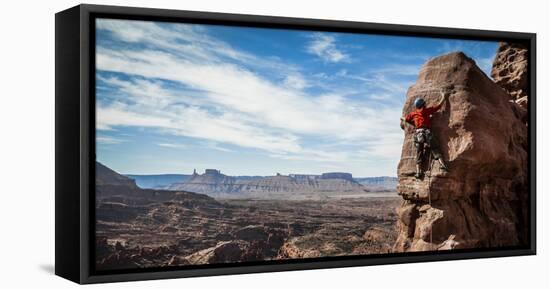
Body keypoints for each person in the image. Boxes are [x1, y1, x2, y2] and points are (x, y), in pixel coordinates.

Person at [400, 91, 449, 179]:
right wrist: (444, 97)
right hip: (426, 133)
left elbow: (406, 119)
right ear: (423, 104)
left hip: (418, 134)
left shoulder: (413, 114)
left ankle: (418, 172)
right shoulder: (426, 111)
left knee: (419, 153)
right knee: (435, 148)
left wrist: (402, 118)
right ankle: (443, 165)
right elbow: (438, 106)